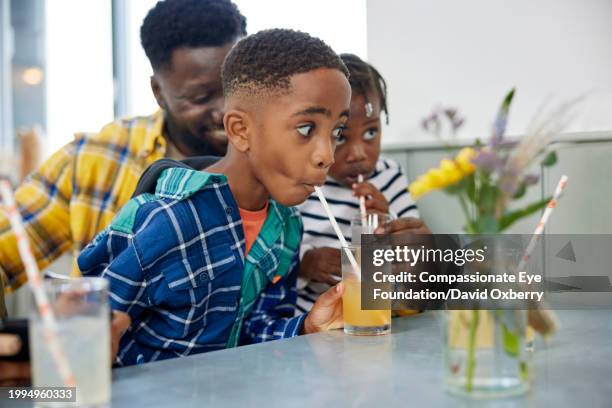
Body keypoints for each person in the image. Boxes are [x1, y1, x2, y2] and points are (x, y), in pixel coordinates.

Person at [77, 29, 351, 366]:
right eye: (307, 128)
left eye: (337, 132)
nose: (328, 154)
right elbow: (83, 336)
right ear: (240, 130)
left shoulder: (287, 228)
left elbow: (253, 332)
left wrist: (307, 326)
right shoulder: (165, 220)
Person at [0, 0, 247, 293]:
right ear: (159, 92)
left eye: (236, 86)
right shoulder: (95, 160)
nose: (225, 111)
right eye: (200, 97)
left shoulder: (285, 151)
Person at [297, 53, 430, 312]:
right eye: (341, 136)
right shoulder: (304, 182)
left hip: (380, 316)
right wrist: (307, 262)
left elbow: (414, 256)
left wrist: (389, 222)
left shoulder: (389, 175)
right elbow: (278, 257)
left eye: (371, 132)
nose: (358, 152)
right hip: (312, 322)